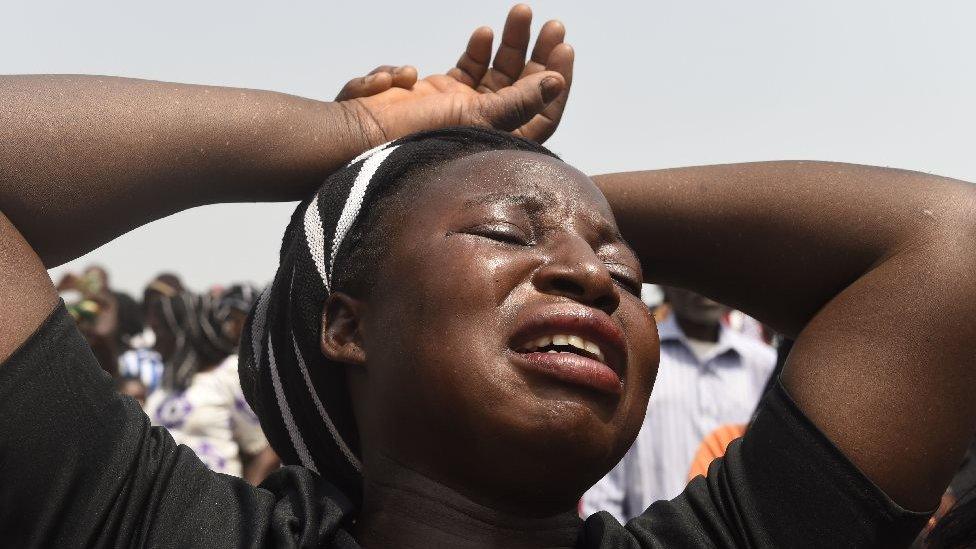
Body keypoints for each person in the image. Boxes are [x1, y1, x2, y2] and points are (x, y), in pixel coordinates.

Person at [1, 6, 974, 547]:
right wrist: (355, 142)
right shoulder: (162, 530)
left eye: (618, 262)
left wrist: (525, 184)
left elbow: (950, 246)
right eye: (509, 237)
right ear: (349, 324)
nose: (593, 279)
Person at [582, 287, 776, 521]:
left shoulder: (764, 365)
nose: (705, 289)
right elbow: (604, 486)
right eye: (695, 275)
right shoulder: (632, 359)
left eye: (715, 274)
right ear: (667, 284)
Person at [143, 283, 278, 483]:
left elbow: (267, 446)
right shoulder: (169, 381)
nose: (154, 343)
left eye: (159, 331)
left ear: (180, 331)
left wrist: (251, 498)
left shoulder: (229, 373)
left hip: (220, 505)